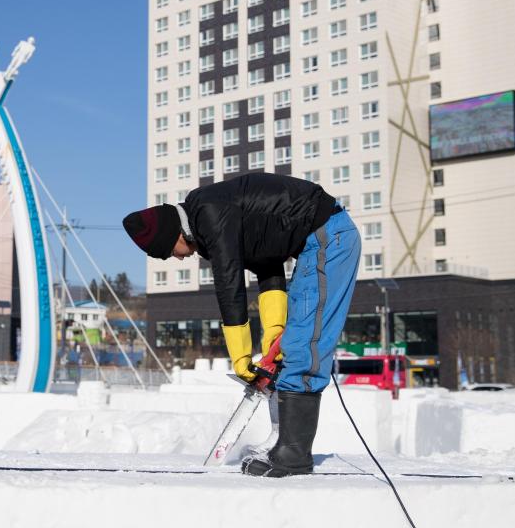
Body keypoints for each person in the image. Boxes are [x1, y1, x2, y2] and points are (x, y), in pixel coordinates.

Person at [122, 172, 360, 477]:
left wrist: (241, 357)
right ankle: (283, 444)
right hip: (317, 243)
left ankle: (294, 455)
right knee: (291, 347)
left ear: (175, 236)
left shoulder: (209, 213)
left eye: (170, 253)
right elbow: (268, 263)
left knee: (305, 346)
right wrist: (274, 334)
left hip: (329, 238)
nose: (177, 260)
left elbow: (229, 285)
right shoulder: (211, 215)